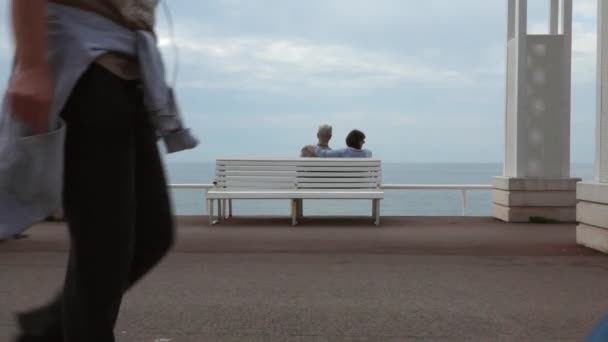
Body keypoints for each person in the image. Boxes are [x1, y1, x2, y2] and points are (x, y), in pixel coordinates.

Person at [4, 0, 197, 341]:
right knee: (104, 250)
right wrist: (32, 64)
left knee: (151, 235)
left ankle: (46, 331)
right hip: (84, 64)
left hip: (129, 69)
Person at [304, 129, 372, 158]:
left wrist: (312, 147)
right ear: (358, 142)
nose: (364, 142)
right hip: (362, 186)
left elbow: (323, 153)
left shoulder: (343, 152)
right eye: (362, 140)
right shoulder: (368, 153)